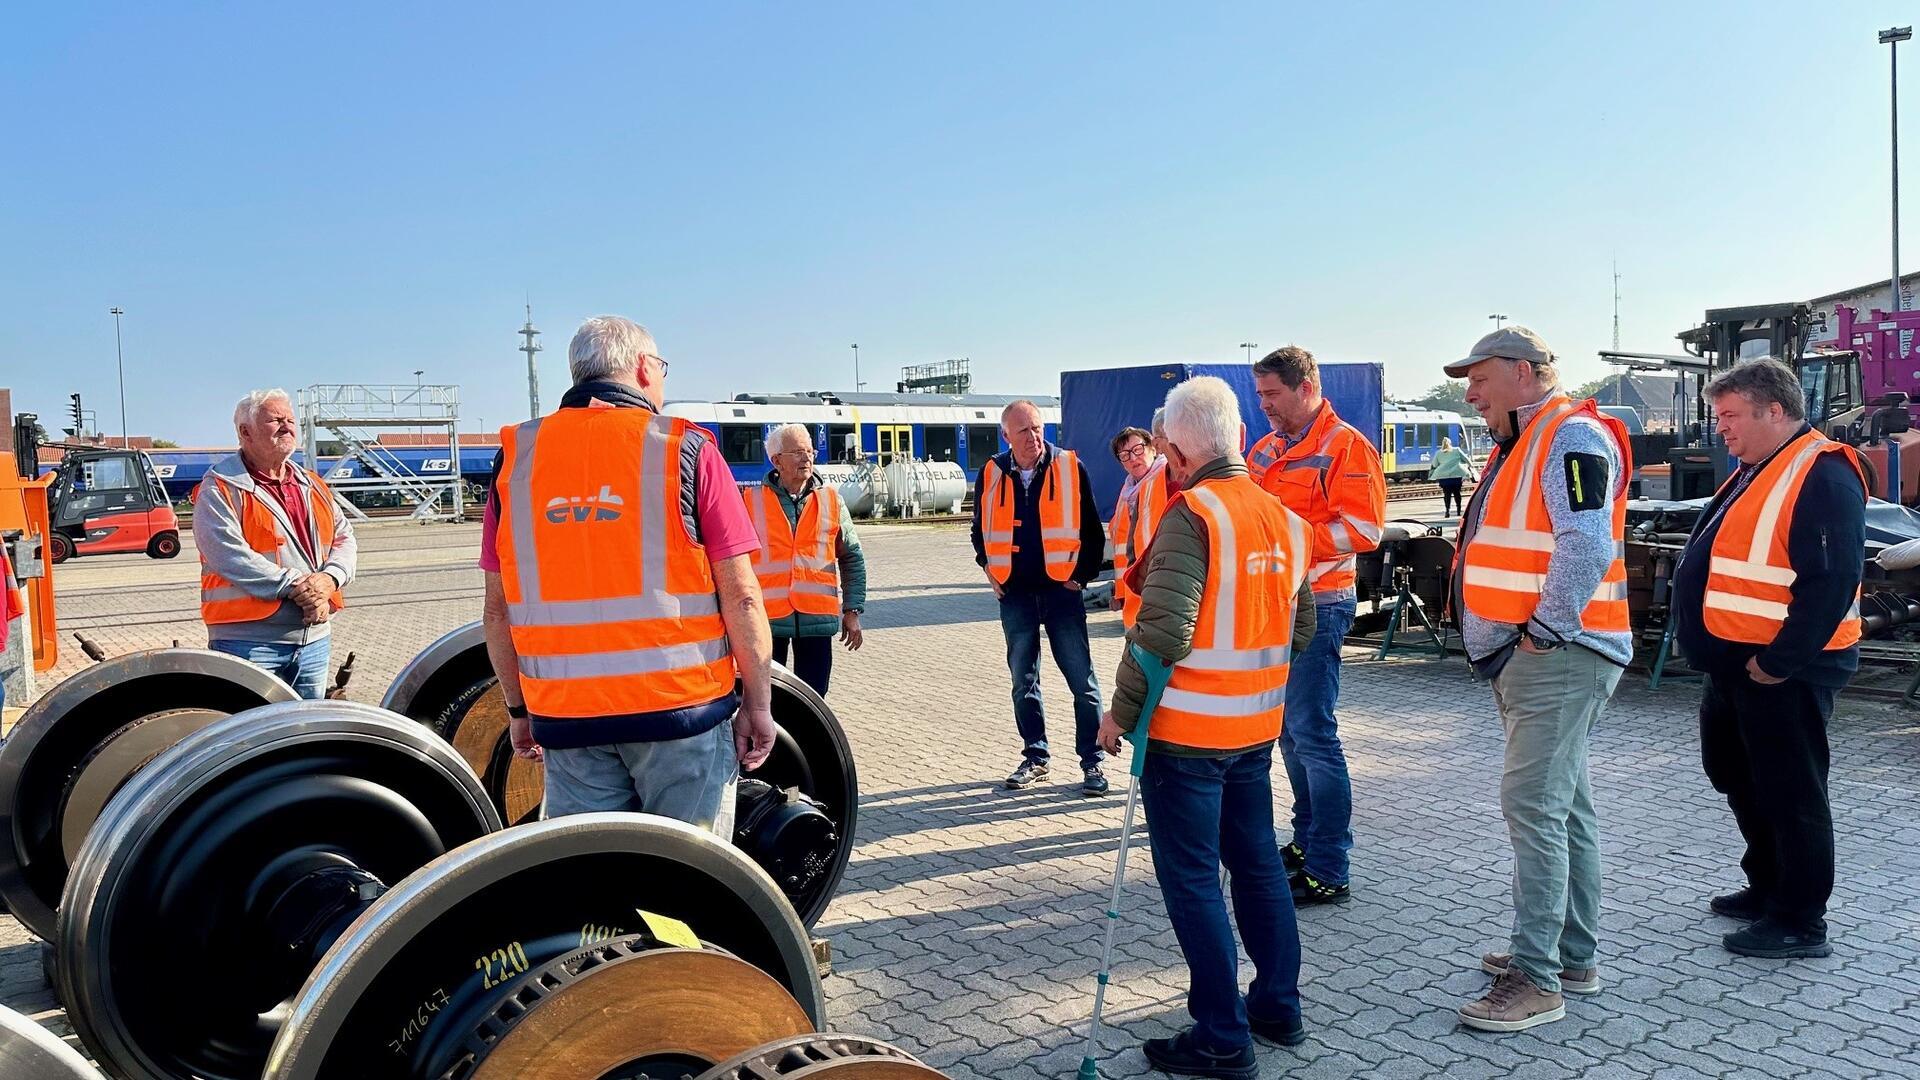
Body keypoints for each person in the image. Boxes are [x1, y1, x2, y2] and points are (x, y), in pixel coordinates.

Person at [478, 315, 776, 836]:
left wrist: (518, 709)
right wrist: (757, 701)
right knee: (685, 883)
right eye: (661, 367)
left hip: (568, 722)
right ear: (642, 368)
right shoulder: (687, 450)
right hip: (681, 715)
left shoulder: (517, 460)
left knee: (598, 878)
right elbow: (742, 596)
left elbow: (497, 608)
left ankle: (607, 925)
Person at [1098, 376, 1317, 1079]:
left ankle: (1222, 1036)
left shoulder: (1193, 513)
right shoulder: (1283, 519)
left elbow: (1161, 634)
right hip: (1253, 732)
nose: (1163, 456)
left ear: (1180, 446)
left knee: (1192, 881)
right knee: (1257, 867)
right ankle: (1277, 1007)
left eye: (1165, 446)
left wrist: (1118, 716)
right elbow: (1302, 625)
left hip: (1188, 738)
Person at [1447, 326, 1631, 1032]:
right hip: (1542, 656)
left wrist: (1544, 633)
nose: (1471, 393)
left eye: (1480, 378)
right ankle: (1570, 955)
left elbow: (1586, 543)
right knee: (1564, 805)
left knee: (1533, 806)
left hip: (1559, 656)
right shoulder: (1529, 440)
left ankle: (1537, 979)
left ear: (1524, 374)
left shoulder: (1568, 437)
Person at [1669, 358, 1864, 960]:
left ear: (1774, 410)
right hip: (1740, 666)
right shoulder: (1758, 468)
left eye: (1730, 416)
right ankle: (1768, 885)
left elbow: (1831, 582)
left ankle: (1800, 921)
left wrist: (1778, 662)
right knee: (1736, 775)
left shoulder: (1822, 473)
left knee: (1791, 791)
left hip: (1782, 669)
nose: (1720, 428)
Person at [1247, 345, 1386, 904]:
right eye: (1259, 397)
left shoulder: (1348, 446)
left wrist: (1288, 543)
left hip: (1321, 603)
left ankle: (1329, 864)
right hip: (1271, 605)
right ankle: (1305, 842)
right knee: (1288, 733)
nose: (1265, 407)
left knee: (1312, 734)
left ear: (1306, 387)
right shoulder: (1262, 451)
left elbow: (1365, 529)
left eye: (1272, 395)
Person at [973, 399, 1108, 794]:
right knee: (1023, 681)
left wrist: (1081, 578)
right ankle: (1035, 757)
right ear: (1006, 437)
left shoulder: (1069, 466)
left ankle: (1093, 762)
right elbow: (979, 529)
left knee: (1082, 681)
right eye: (1023, 432)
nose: (1033, 438)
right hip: (1014, 594)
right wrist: (988, 569)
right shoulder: (992, 472)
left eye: (1037, 428)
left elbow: (1092, 532)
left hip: (1061, 594)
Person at [193, 389, 357, 699]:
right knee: (250, 738)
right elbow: (229, 556)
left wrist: (328, 579)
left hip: (314, 639)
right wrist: (304, 588)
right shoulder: (220, 488)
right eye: (276, 420)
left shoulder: (313, 485)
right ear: (245, 432)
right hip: (247, 644)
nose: (287, 426)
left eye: (290, 420)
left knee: (307, 736)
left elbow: (345, 538)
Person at [748, 423, 868, 698]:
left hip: (816, 618)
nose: (807, 458)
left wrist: (852, 610)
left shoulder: (831, 501)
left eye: (810, 450)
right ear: (776, 460)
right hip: (767, 621)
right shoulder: (749, 501)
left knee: (814, 700)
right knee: (767, 699)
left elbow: (852, 557)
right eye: (798, 452)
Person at [1109, 425, 1169, 627]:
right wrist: (1119, 592)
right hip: (1135, 592)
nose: (1133, 458)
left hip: (1163, 589)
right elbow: (1122, 546)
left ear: (1153, 448)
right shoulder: (1127, 493)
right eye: (1124, 455)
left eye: (1138, 449)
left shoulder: (1166, 479)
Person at [1429, 435, 1478, 517]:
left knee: (1446, 494)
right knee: (1457, 493)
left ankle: (1447, 511)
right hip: (1456, 476)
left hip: (1444, 478)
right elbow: (1467, 459)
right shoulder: (1457, 450)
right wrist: (1471, 467)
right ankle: (1458, 511)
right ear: (1450, 443)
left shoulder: (1438, 453)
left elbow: (1434, 464)